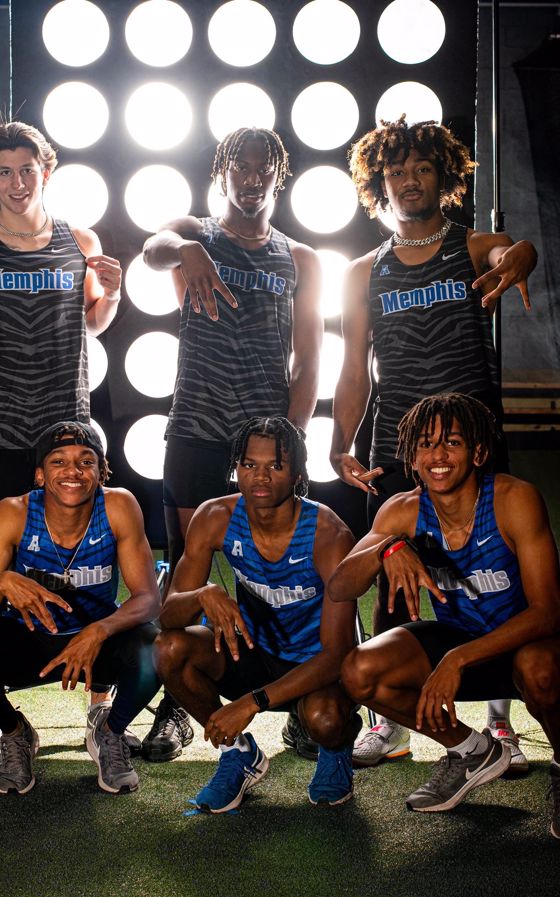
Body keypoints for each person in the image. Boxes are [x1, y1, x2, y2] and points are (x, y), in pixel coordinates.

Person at [0, 122, 147, 764]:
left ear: (46, 172)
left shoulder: (80, 240)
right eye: (5, 172)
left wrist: (113, 293)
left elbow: (93, 323)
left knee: (90, 559)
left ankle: (99, 710)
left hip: (66, 430)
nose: (17, 183)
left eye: (28, 170)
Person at [330, 117, 538, 769]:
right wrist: (340, 442)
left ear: (443, 177)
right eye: (396, 171)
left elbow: (514, 253)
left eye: (422, 168)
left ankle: (499, 720)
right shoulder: (364, 270)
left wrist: (518, 261)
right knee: (396, 576)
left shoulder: (472, 246)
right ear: (379, 184)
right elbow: (354, 367)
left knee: (494, 574)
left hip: (474, 447)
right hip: (400, 448)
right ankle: (392, 721)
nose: (409, 180)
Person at [143, 126, 323, 760]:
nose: (252, 179)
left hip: (264, 443)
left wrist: (291, 441)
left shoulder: (299, 258)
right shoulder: (194, 232)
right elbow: (154, 248)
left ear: (279, 176)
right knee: (186, 570)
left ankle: (302, 699)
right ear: (222, 173)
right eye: (240, 168)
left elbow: (308, 362)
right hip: (196, 427)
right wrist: (189, 251)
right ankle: (175, 707)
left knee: (277, 568)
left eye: (263, 169)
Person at [330, 394, 560, 837]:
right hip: (458, 636)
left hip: (524, 644)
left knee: (541, 668)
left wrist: (457, 659)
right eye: (426, 444)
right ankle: (472, 751)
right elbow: (341, 587)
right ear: (412, 457)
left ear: (478, 452)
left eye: (452, 443)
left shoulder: (514, 499)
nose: (437, 456)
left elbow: (548, 613)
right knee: (360, 672)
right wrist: (387, 547)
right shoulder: (403, 509)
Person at [154, 417, 360, 813]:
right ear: (236, 467)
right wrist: (202, 595)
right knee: (169, 649)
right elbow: (168, 618)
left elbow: (338, 654)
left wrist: (252, 702)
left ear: (297, 473)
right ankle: (238, 754)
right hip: (253, 652)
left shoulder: (329, 534)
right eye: (249, 464)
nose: (260, 477)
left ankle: (336, 751)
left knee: (326, 720)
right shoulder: (215, 517)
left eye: (275, 466)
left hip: (315, 665)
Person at [0, 421, 162, 796]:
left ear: (101, 471)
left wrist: (100, 630)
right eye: (59, 461)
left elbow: (148, 598)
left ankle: (109, 732)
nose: (72, 472)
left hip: (93, 643)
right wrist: (1, 584)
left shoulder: (118, 506)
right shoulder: (13, 513)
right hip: (29, 640)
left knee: (156, 649)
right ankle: (15, 732)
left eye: (85, 461)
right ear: (40, 474)